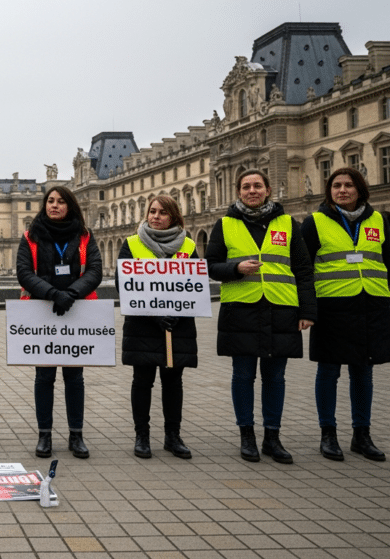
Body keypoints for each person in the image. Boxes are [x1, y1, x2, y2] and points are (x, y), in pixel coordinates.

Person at [206, 169, 316, 464]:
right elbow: (210, 266)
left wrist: (307, 311)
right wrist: (235, 269)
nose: (251, 191)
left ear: (268, 189)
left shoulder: (288, 224)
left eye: (257, 186)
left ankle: (272, 437)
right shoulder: (225, 224)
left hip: (281, 309)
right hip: (240, 310)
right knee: (242, 376)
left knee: (275, 377)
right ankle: (247, 436)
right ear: (238, 192)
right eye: (245, 187)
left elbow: (304, 269)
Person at [301, 168, 387, 461]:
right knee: (328, 372)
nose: (342, 190)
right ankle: (328, 434)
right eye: (336, 185)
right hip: (331, 308)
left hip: (371, 306)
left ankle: (362, 435)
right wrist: (307, 309)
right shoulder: (315, 223)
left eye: (348, 185)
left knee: (364, 371)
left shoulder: (380, 220)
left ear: (360, 189)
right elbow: (303, 269)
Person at [16, 185, 102, 459]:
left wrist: (71, 294)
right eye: (50, 201)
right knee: (44, 377)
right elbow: (24, 272)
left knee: (74, 377)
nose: (54, 205)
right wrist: (53, 294)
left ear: (70, 206)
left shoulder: (85, 236)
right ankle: (45, 435)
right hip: (41, 311)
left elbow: (95, 270)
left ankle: (76, 434)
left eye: (61, 202)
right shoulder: (30, 236)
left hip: (77, 311)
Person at [117, 195, 197, 460]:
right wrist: (155, 315)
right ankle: (142, 435)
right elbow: (124, 286)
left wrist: (176, 313)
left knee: (173, 381)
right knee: (142, 381)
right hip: (143, 325)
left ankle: (173, 436)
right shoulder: (131, 244)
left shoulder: (188, 245)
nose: (156, 216)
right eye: (152, 211)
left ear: (173, 216)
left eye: (162, 212)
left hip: (178, 324)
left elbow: (193, 286)